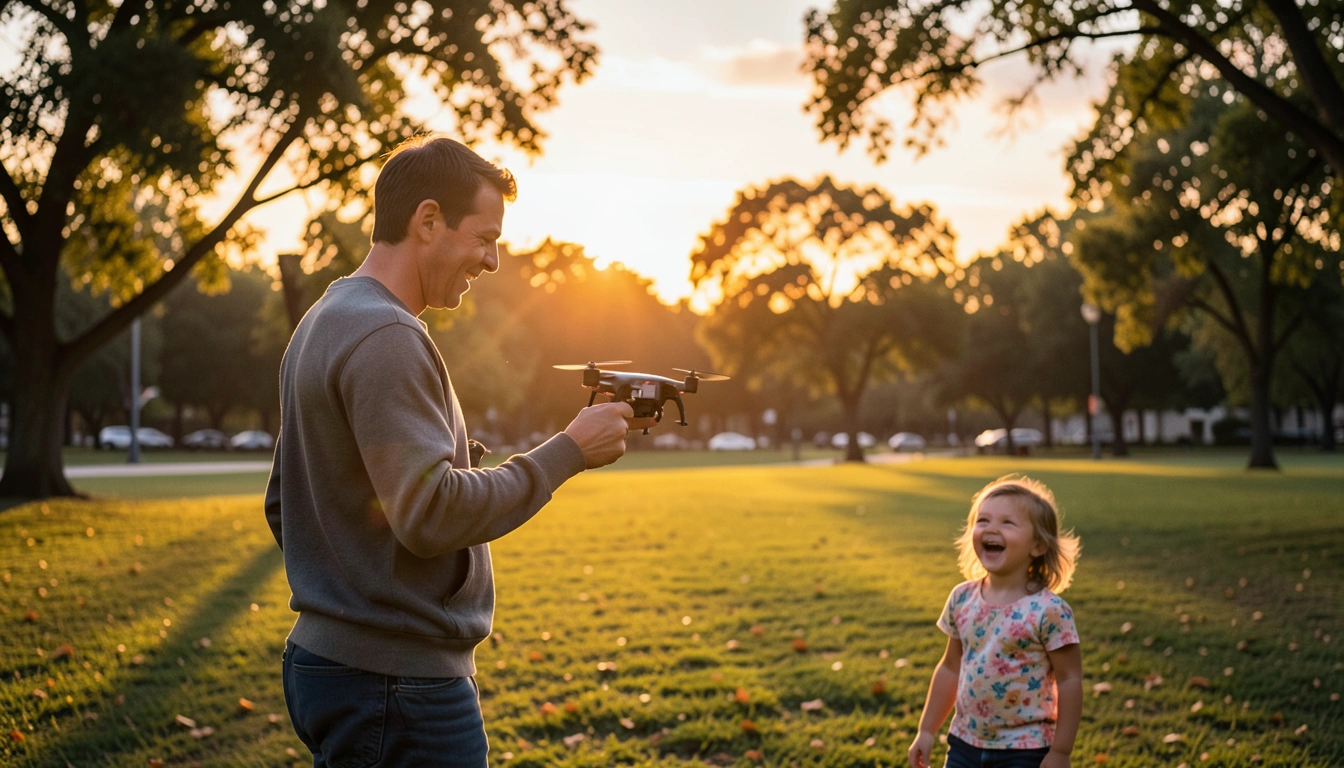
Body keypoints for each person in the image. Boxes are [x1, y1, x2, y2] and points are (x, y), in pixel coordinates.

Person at [264, 134, 654, 767]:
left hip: (329, 667)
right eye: (485, 237)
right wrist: (569, 451)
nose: (493, 260)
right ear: (427, 221)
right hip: (399, 685)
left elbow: (286, 504)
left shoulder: (322, 322)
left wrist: (351, 586)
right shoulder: (388, 333)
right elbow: (432, 514)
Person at [908, 475, 1083, 768]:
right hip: (964, 743)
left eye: (1007, 522)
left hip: (1025, 749)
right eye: (983, 520)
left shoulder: (1049, 611)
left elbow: (1069, 680)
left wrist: (1061, 752)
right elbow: (950, 667)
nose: (991, 529)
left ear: (1038, 545)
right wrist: (926, 730)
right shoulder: (962, 598)